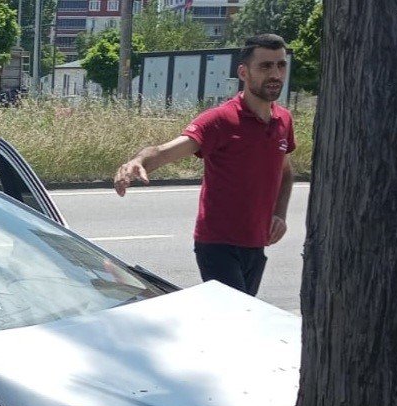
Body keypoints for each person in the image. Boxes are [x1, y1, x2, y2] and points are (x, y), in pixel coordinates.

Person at [113, 34, 296, 297]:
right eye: (265, 66)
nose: (276, 74)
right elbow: (168, 150)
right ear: (244, 72)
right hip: (218, 245)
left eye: (281, 65)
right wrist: (139, 161)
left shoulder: (284, 120)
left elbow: (285, 172)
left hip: (256, 244)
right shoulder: (220, 120)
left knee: (236, 322)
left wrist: (280, 213)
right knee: (235, 319)